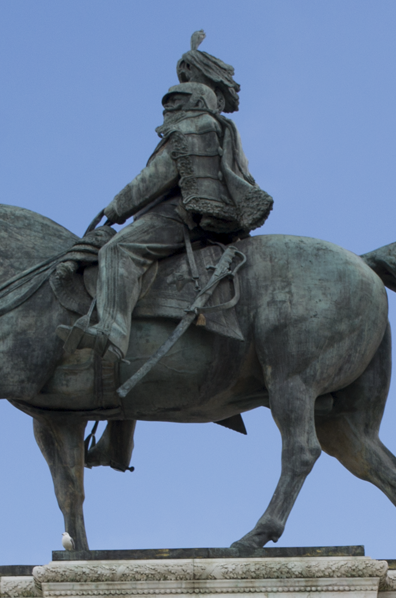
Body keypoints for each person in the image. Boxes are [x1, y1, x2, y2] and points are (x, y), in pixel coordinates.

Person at [68, 33, 272, 364]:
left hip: (179, 217)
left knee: (117, 249)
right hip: (198, 218)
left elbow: (154, 180)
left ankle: (112, 332)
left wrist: (113, 209)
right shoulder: (216, 129)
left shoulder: (190, 130)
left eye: (174, 102)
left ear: (193, 103)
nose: (168, 110)